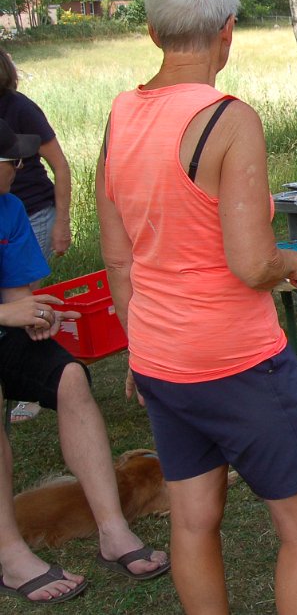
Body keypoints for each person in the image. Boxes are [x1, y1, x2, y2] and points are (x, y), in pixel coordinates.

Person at [97, 0, 297, 613]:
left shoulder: (120, 116)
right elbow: (251, 263)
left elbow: (118, 261)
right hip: (237, 360)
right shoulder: (228, 118)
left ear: (152, 32)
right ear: (227, 32)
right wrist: (293, 263)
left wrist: (138, 349)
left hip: (160, 359)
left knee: (193, 518)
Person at [0, 119, 169, 604]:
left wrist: (32, 314)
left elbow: (16, 293)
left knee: (70, 376)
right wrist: (8, 312)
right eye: (14, 160)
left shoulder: (9, 208)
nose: (23, 166)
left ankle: (112, 530)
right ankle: (11, 555)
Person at [0, 50, 72, 424]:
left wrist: (62, 222)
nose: (21, 164)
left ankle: (27, 388)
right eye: (13, 158)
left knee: (24, 303)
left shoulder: (20, 108)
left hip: (30, 214)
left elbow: (60, 164)